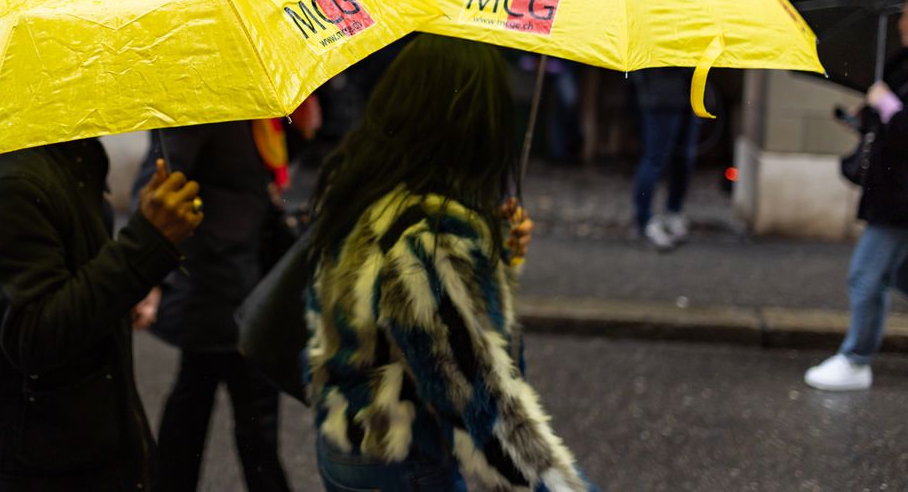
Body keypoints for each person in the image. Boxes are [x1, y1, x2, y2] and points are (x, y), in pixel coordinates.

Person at [306, 34, 588, 492]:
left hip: (346, 442)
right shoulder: (431, 233)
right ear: (473, 126)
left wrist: (497, 262)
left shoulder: (361, 185)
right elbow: (481, 400)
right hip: (402, 459)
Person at [0, 141, 204, 492]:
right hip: (27, 467)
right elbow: (36, 335)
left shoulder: (67, 155)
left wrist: (124, 286)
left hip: (70, 449)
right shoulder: (12, 182)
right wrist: (147, 242)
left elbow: (69, 281)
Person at [133, 122, 292, 492]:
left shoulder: (255, 117)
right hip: (217, 285)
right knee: (249, 414)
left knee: (198, 401)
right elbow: (156, 187)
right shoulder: (200, 113)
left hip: (243, 278)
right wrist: (145, 275)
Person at [805, 14, 908, 391]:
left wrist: (888, 107)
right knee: (898, 275)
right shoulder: (900, 66)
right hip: (893, 190)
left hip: (900, 198)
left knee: (866, 277)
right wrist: (865, 117)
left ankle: (855, 359)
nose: (901, 22)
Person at [631, 67, 698, 251]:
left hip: (690, 89)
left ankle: (673, 212)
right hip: (660, 91)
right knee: (655, 159)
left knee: (684, 158)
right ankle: (643, 220)